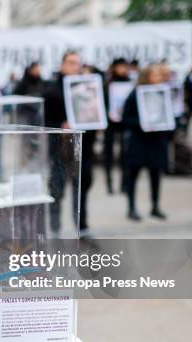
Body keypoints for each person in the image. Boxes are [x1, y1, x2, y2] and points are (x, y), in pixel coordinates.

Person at [43, 50, 95, 238]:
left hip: (83, 150)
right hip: (59, 150)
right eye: (71, 63)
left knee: (80, 190)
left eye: (78, 63)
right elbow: (44, 123)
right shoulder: (51, 91)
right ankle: (55, 228)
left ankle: (82, 227)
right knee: (57, 190)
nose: (76, 67)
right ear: (62, 65)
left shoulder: (87, 89)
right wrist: (60, 126)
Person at [121, 64, 171, 222]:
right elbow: (125, 119)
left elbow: (170, 114)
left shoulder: (164, 93)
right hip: (139, 142)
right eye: (155, 75)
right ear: (146, 76)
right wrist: (143, 123)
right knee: (133, 175)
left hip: (157, 141)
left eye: (159, 75)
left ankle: (155, 206)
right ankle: (131, 208)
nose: (158, 78)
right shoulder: (135, 94)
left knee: (156, 175)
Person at [104, 58, 131, 194]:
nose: (123, 69)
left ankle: (124, 184)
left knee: (125, 153)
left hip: (124, 123)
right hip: (110, 123)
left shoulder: (130, 83)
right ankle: (109, 183)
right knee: (108, 153)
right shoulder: (108, 84)